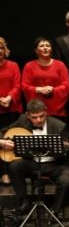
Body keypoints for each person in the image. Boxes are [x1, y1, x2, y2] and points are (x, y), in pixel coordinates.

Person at [1, 99, 69, 216]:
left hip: (55, 164)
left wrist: (63, 148)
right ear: (28, 115)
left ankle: (55, 211)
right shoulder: (22, 120)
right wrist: (2, 142)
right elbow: (3, 132)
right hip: (32, 162)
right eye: (34, 117)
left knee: (66, 178)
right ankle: (24, 203)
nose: (39, 120)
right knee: (15, 166)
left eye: (41, 116)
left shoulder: (60, 126)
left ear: (46, 112)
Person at [21, 37, 69, 119]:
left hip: (56, 110)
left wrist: (52, 90)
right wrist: (39, 89)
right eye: (42, 46)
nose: (45, 48)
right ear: (36, 50)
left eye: (48, 46)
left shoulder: (60, 65)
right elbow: (24, 86)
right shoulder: (29, 66)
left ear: (51, 49)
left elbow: (66, 85)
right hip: (36, 111)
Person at [0, 37, 21, 185]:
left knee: (9, 142)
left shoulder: (13, 65)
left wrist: (9, 97)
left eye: (1, 48)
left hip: (11, 108)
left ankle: (8, 173)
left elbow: (17, 85)